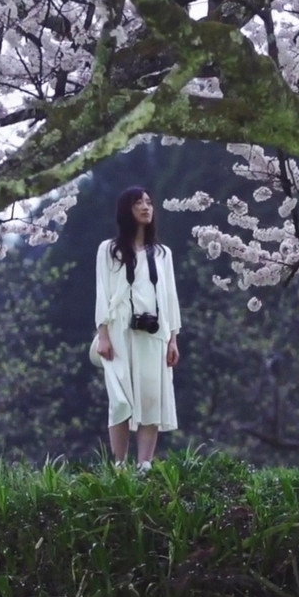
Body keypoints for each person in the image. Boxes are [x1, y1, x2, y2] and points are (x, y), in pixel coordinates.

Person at [93, 186, 181, 472]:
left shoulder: (163, 253)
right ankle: (119, 466)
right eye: (138, 203)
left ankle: (145, 465)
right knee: (120, 398)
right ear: (126, 210)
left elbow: (170, 297)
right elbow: (102, 291)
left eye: (148, 202)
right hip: (119, 330)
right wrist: (103, 334)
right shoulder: (109, 249)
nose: (145, 207)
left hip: (154, 332)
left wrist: (173, 339)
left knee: (150, 397)